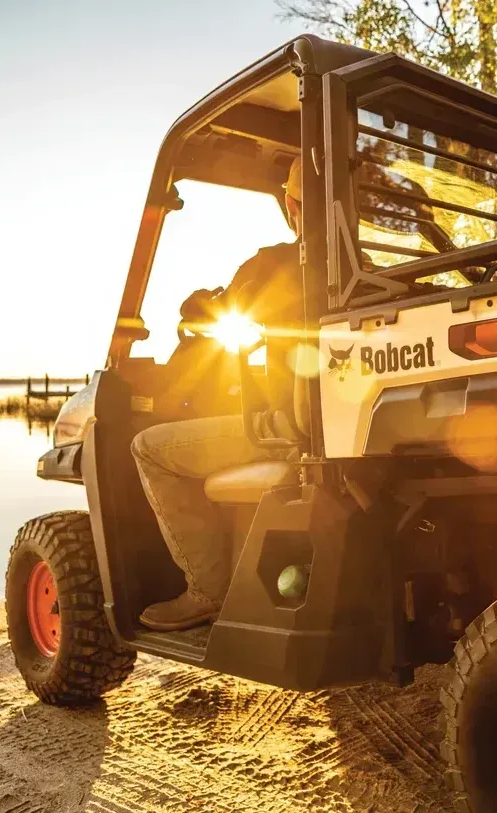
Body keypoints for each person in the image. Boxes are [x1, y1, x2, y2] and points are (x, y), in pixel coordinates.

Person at [131, 157, 306, 632]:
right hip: (349, 425)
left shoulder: (275, 263)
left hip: (296, 430)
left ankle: (208, 590)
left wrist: (196, 305)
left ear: (291, 204)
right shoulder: (372, 271)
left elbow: (215, 311)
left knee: (149, 449)